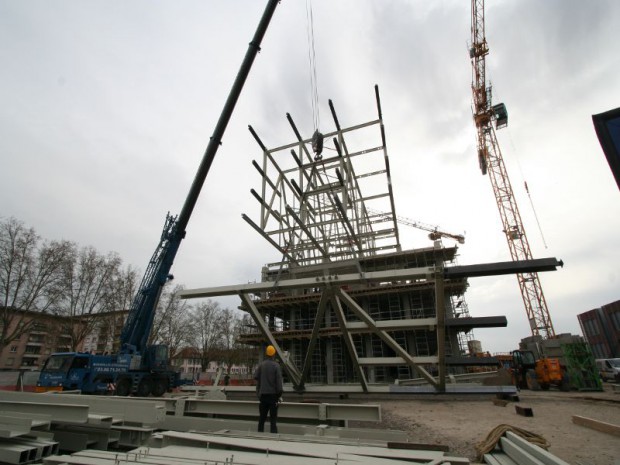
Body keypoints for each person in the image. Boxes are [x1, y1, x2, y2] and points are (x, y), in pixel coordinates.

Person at [253, 344, 283, 433]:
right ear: (274, 354)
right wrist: (279, 395)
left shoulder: (261, 365)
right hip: (273, 397)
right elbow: (279, 384)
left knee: (261, 419)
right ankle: (273, 440)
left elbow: (256, 378)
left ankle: (260, 437)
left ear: (266, 354)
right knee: (273, 421)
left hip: (263, 397)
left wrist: (259, 394)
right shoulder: (276, 366)